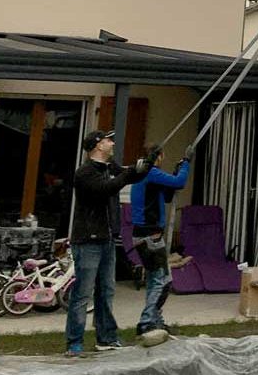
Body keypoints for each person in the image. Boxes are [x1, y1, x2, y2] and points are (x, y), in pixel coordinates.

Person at [65, 129, 151, 357]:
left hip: (107, 239)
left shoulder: (110, 167)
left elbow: (129, 176)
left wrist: (146, 165)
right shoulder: (84, 173)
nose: (112, 143)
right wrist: (126, 174)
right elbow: (106, 189)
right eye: (108, 140)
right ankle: (74, 343)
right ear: (97, 145)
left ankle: (107, 338)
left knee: (106, 291)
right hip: (87, 240)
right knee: (82, 294)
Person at [129, 143, 193, 340]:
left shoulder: (143, 174)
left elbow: (166, 195)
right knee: (163, 282)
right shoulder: (151, 172)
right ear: (159, 156)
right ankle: (147, 322)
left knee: (153, 281)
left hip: (143, 235)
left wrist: (175, 171)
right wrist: (187, 163)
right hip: (151, 236)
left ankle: (154, 322)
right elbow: (180, 182)